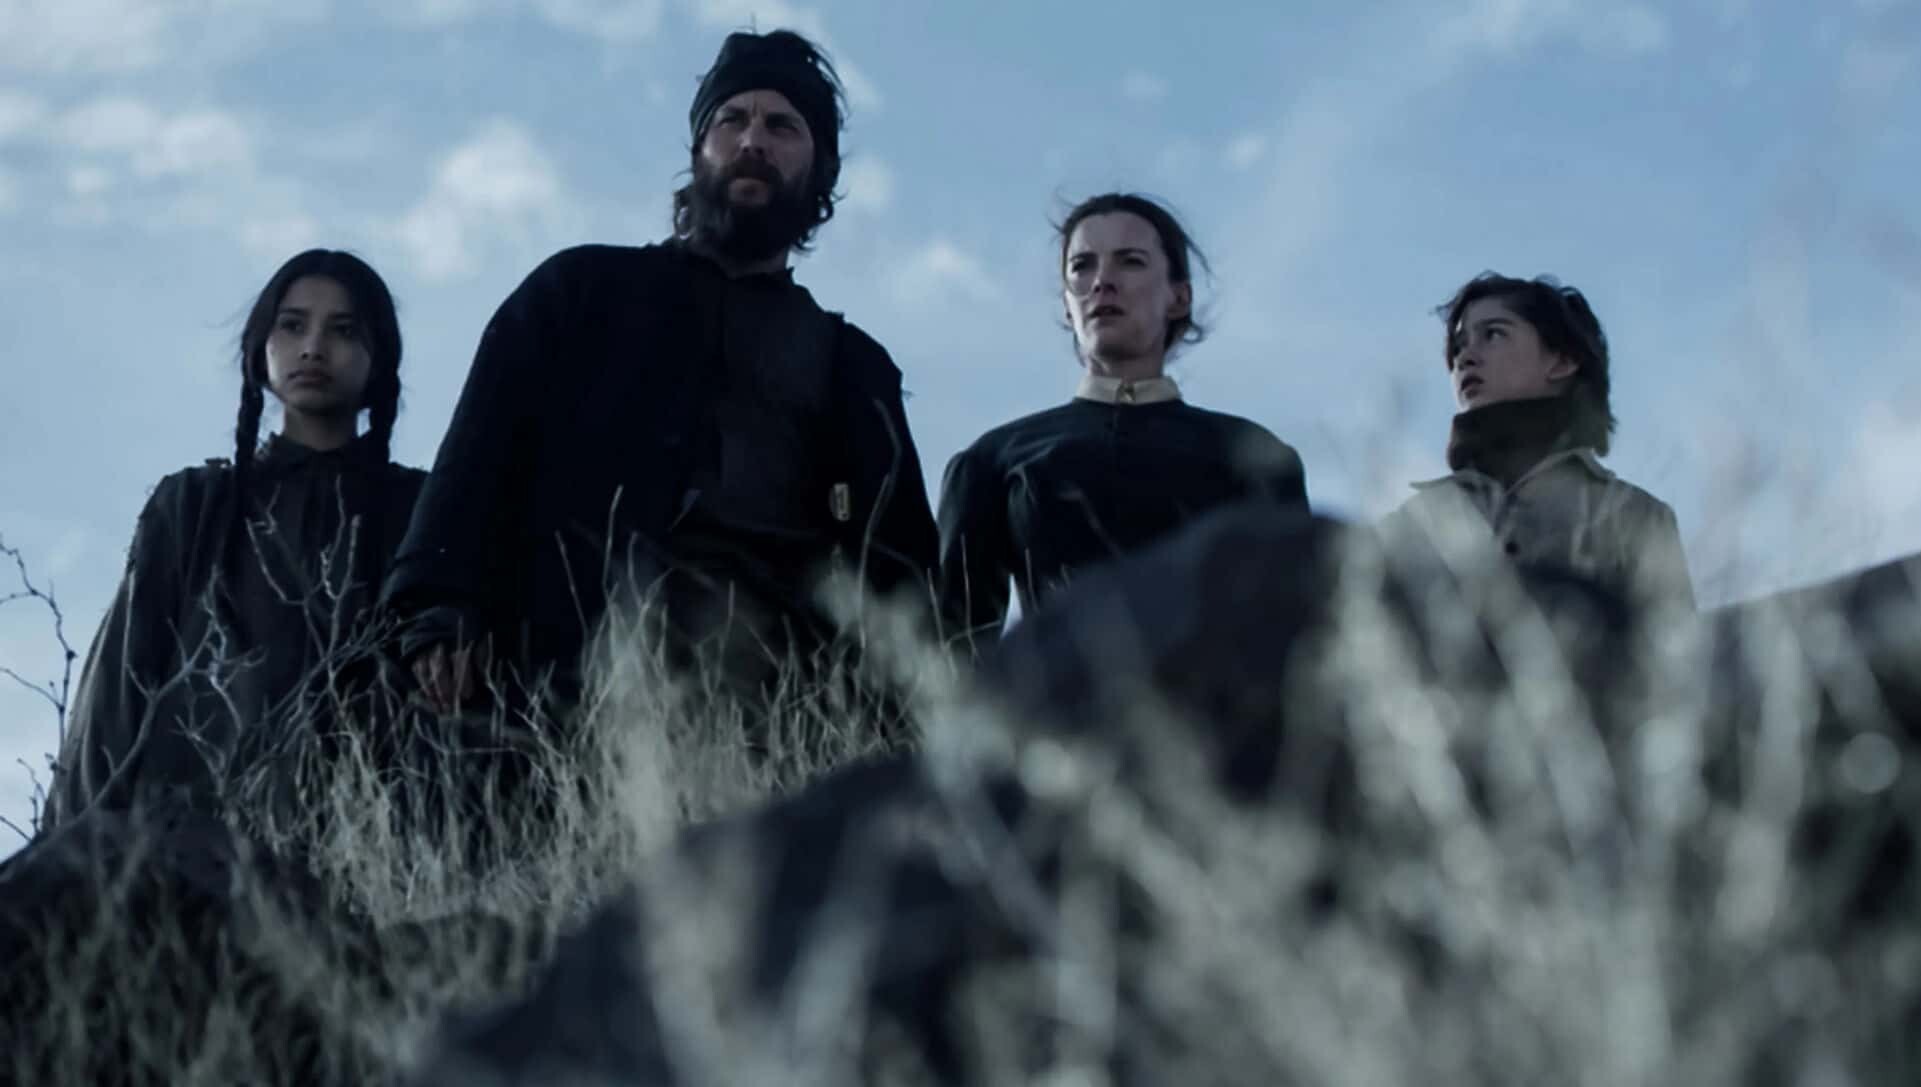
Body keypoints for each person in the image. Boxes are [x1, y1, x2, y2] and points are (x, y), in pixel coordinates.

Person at [385, 29, 939, 717]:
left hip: (777, 711)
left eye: (782, 126)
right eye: (731, 120)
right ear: (698, 151)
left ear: (820, 168)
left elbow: (900, 571)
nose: (753, 141)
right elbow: (476, 456)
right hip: (568, 688)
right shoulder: (579, 292)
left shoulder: (854, 368)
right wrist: (438, 607)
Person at [49, 249, 425, 824]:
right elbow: (118, 692)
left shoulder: (419, 509)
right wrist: (75, 845)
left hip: (368, 832)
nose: (313, 347)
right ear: (260, 347)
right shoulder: (195, 505)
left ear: (379, 357)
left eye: (343, 330)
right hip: (191, 838)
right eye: (292, 325)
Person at [935, 193, 1307, 654]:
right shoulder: (994, 461)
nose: (1102, 282)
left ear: (1179, 296)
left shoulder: (1252, 455)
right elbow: (953, 655)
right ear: (1067, 303)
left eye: (1130, 262)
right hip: (1053, 698)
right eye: (1082, 266)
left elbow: (1301, 636)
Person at [1381, 272, 1695, 611]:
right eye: (1459, 346)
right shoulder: (1416, 521)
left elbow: (1675, 640)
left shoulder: (1633, 516)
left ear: (1562, 360)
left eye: (1493, 334)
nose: (1465, 357)